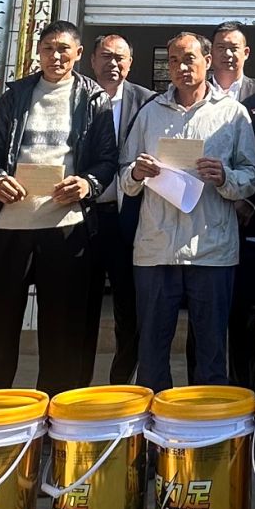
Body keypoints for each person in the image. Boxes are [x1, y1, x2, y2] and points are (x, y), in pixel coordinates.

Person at [0, 20, 117, 395]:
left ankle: (59, 413)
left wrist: (87, 184)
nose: (56, 56)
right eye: (49, 48)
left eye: (64, 49)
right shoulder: (16, 94)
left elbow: (106, 160)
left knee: (63, 332)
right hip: (10, 224)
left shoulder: (94, 98)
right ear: (38, 51)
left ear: (78, 54)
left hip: (65, 224)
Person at [122, 32, 255, 391]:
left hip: (211, 248)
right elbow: (124, 175)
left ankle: (207, 423)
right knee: (152, 353)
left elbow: (252, 176)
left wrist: (225, 177)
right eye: (173, 60)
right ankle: (155, 425)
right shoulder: (150, 112)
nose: (181, 67)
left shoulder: (232, 114)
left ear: (207, 62)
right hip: (157, 248)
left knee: (211, 354)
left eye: (189, 59)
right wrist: (136, 173)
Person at [206, 21, 255, 390]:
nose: (228, 53)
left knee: (243, 317)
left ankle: (245, 395)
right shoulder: (197, 93)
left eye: (234, 47)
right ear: (210, 54)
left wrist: (247, 202)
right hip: (202, 219)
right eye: (221, 47)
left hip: (248, 221)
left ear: (246, 53)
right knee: (204, 315)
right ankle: (203, 396)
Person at [86, 33, 154, 384]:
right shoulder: (78, 96)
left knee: (130, 307)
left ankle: (122, 384)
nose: (112, 63)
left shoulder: (148, 101)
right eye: (105, 56)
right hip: (83, 216)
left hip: (130, 218)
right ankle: (76, 385)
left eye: (120, 57)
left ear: (130, 62)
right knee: (81, 304)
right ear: (92, 60)